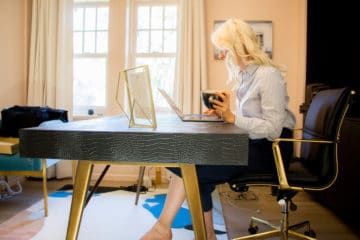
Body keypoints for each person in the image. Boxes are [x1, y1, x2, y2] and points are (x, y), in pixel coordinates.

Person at [140, 18, 296, 240]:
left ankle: (164, 230)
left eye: (225, 48)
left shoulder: (267, 75)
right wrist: (225, 117)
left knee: (190, 167)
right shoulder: (245, 77)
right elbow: (251, 120)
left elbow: (272, 130)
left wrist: (232, 117)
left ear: (239, 46)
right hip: (252, 144)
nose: (223, 55)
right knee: (188, 161)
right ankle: (203, 234)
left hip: (272, 151)